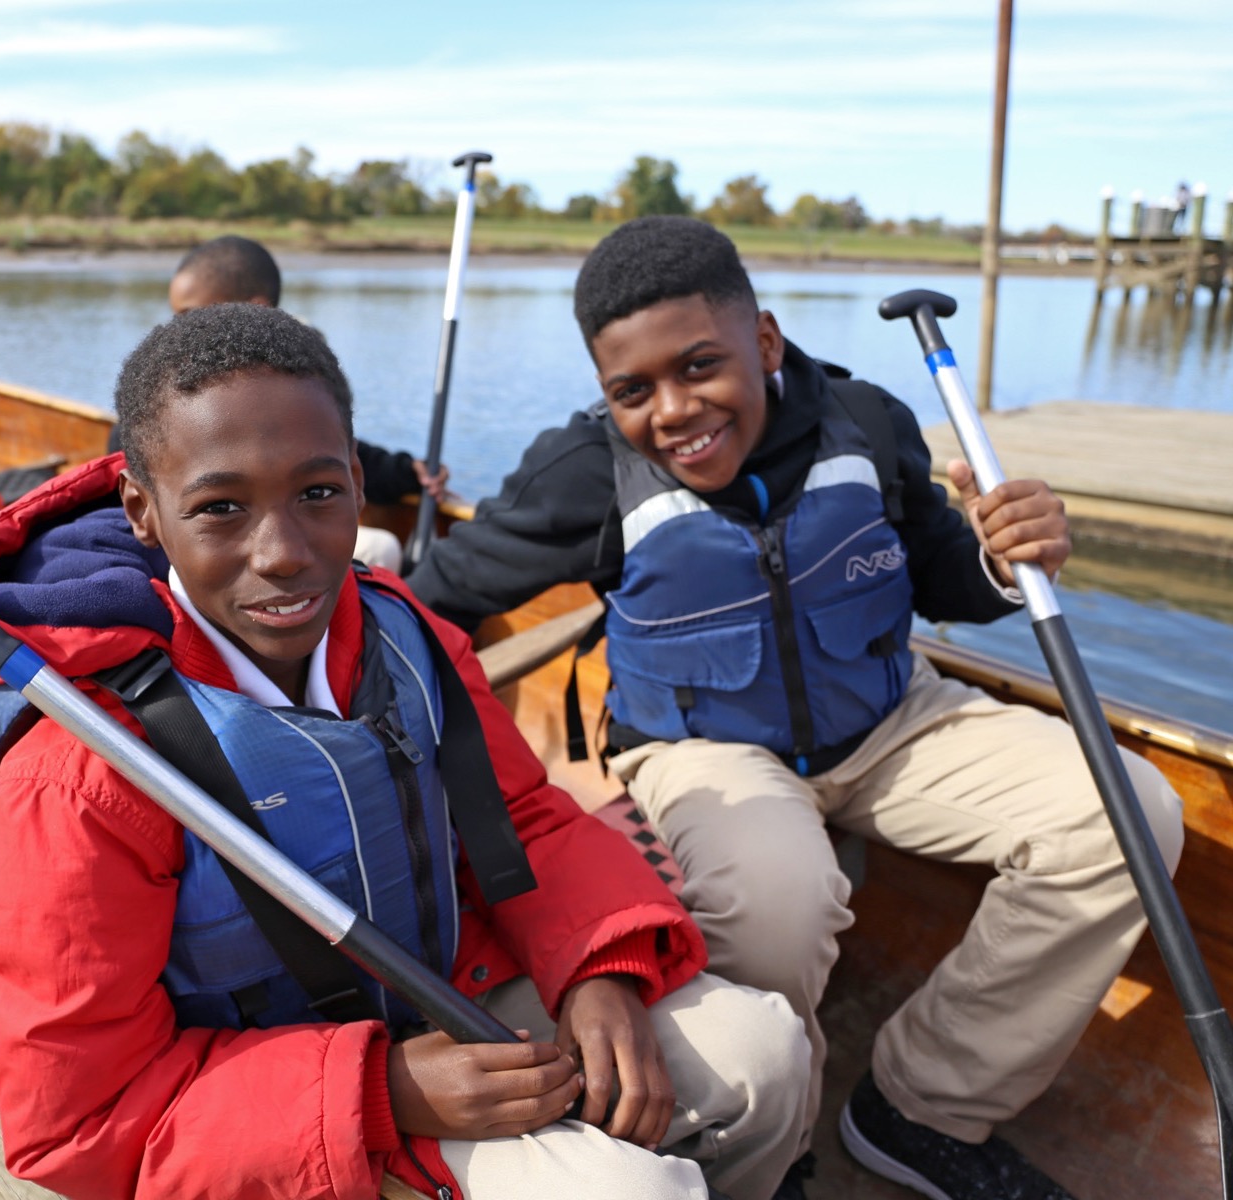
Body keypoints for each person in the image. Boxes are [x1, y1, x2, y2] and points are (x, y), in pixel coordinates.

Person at [0, 303, 812, 1200]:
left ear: (359, 483)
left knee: (766, 1058)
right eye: (220, 509)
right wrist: (385, 1091)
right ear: (142, 510)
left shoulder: (403, 630)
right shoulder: (78, 769)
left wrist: (599, 968)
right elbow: (79, 1126)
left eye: (317, 493)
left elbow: (522, 819)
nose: (282, 553)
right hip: (289, 1117)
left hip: (449, 991)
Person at [406, 216, 1186, 1200]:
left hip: (893, 719)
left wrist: (1003, 554)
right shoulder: (584, 472)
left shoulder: (867, 421)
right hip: (704, 750)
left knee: (1131, 811)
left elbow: (947, 577)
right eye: (632, 391)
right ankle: (776, 1135)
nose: (675, 410)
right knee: (778, 897)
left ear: (764, 342)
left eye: (700, 367)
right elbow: (437, 595)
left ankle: (920, 1107)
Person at [163, 233, 450, 572]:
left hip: (278, 523)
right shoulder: (177, 376)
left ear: (256, 310)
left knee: (379, 547)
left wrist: (405, 472)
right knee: (382, 548)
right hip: (214, 530)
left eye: (190, 316)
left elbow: (327, 451)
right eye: (176, 317)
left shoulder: (298, 372)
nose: (177, 331)